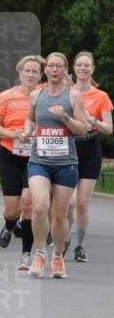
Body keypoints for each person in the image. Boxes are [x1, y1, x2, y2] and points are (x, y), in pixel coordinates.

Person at [24, 51, 88, 278]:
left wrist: (65, 118)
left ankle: (58, 257)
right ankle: (40, 254)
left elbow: (83, 129)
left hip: (65, 163)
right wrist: (26, 131)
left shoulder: (73, 97)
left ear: (65, 70)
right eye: (50, 66)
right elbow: (31, 119)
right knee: (39, 206)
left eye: (58, 66)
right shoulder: (35, 94)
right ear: (45, 70)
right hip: (39, 161)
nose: (53, 70)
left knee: (59, 216)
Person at [0, 55, 44, 270]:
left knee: (28, 204)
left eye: (35, 71)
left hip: (36, 157)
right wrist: (12, 133)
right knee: (13, 210)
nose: (30, 74)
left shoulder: (45, 97)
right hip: (10, 154)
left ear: (40, 75)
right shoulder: (6, 96)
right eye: (27, 70)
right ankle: (10, 225)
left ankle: (26, 255)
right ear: (20, 73)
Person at [68, 51, 113, 262]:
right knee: (67, 204)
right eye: (79, 65)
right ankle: (63, 236)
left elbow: (108, 128)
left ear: (92, 69)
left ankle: (80, 245)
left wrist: (91, 120)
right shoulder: (66, 92)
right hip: (68, 151)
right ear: (74, 68)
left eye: (87, 65)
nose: (83, 68)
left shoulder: (100, 96)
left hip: (90, 152)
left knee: (82, 204)